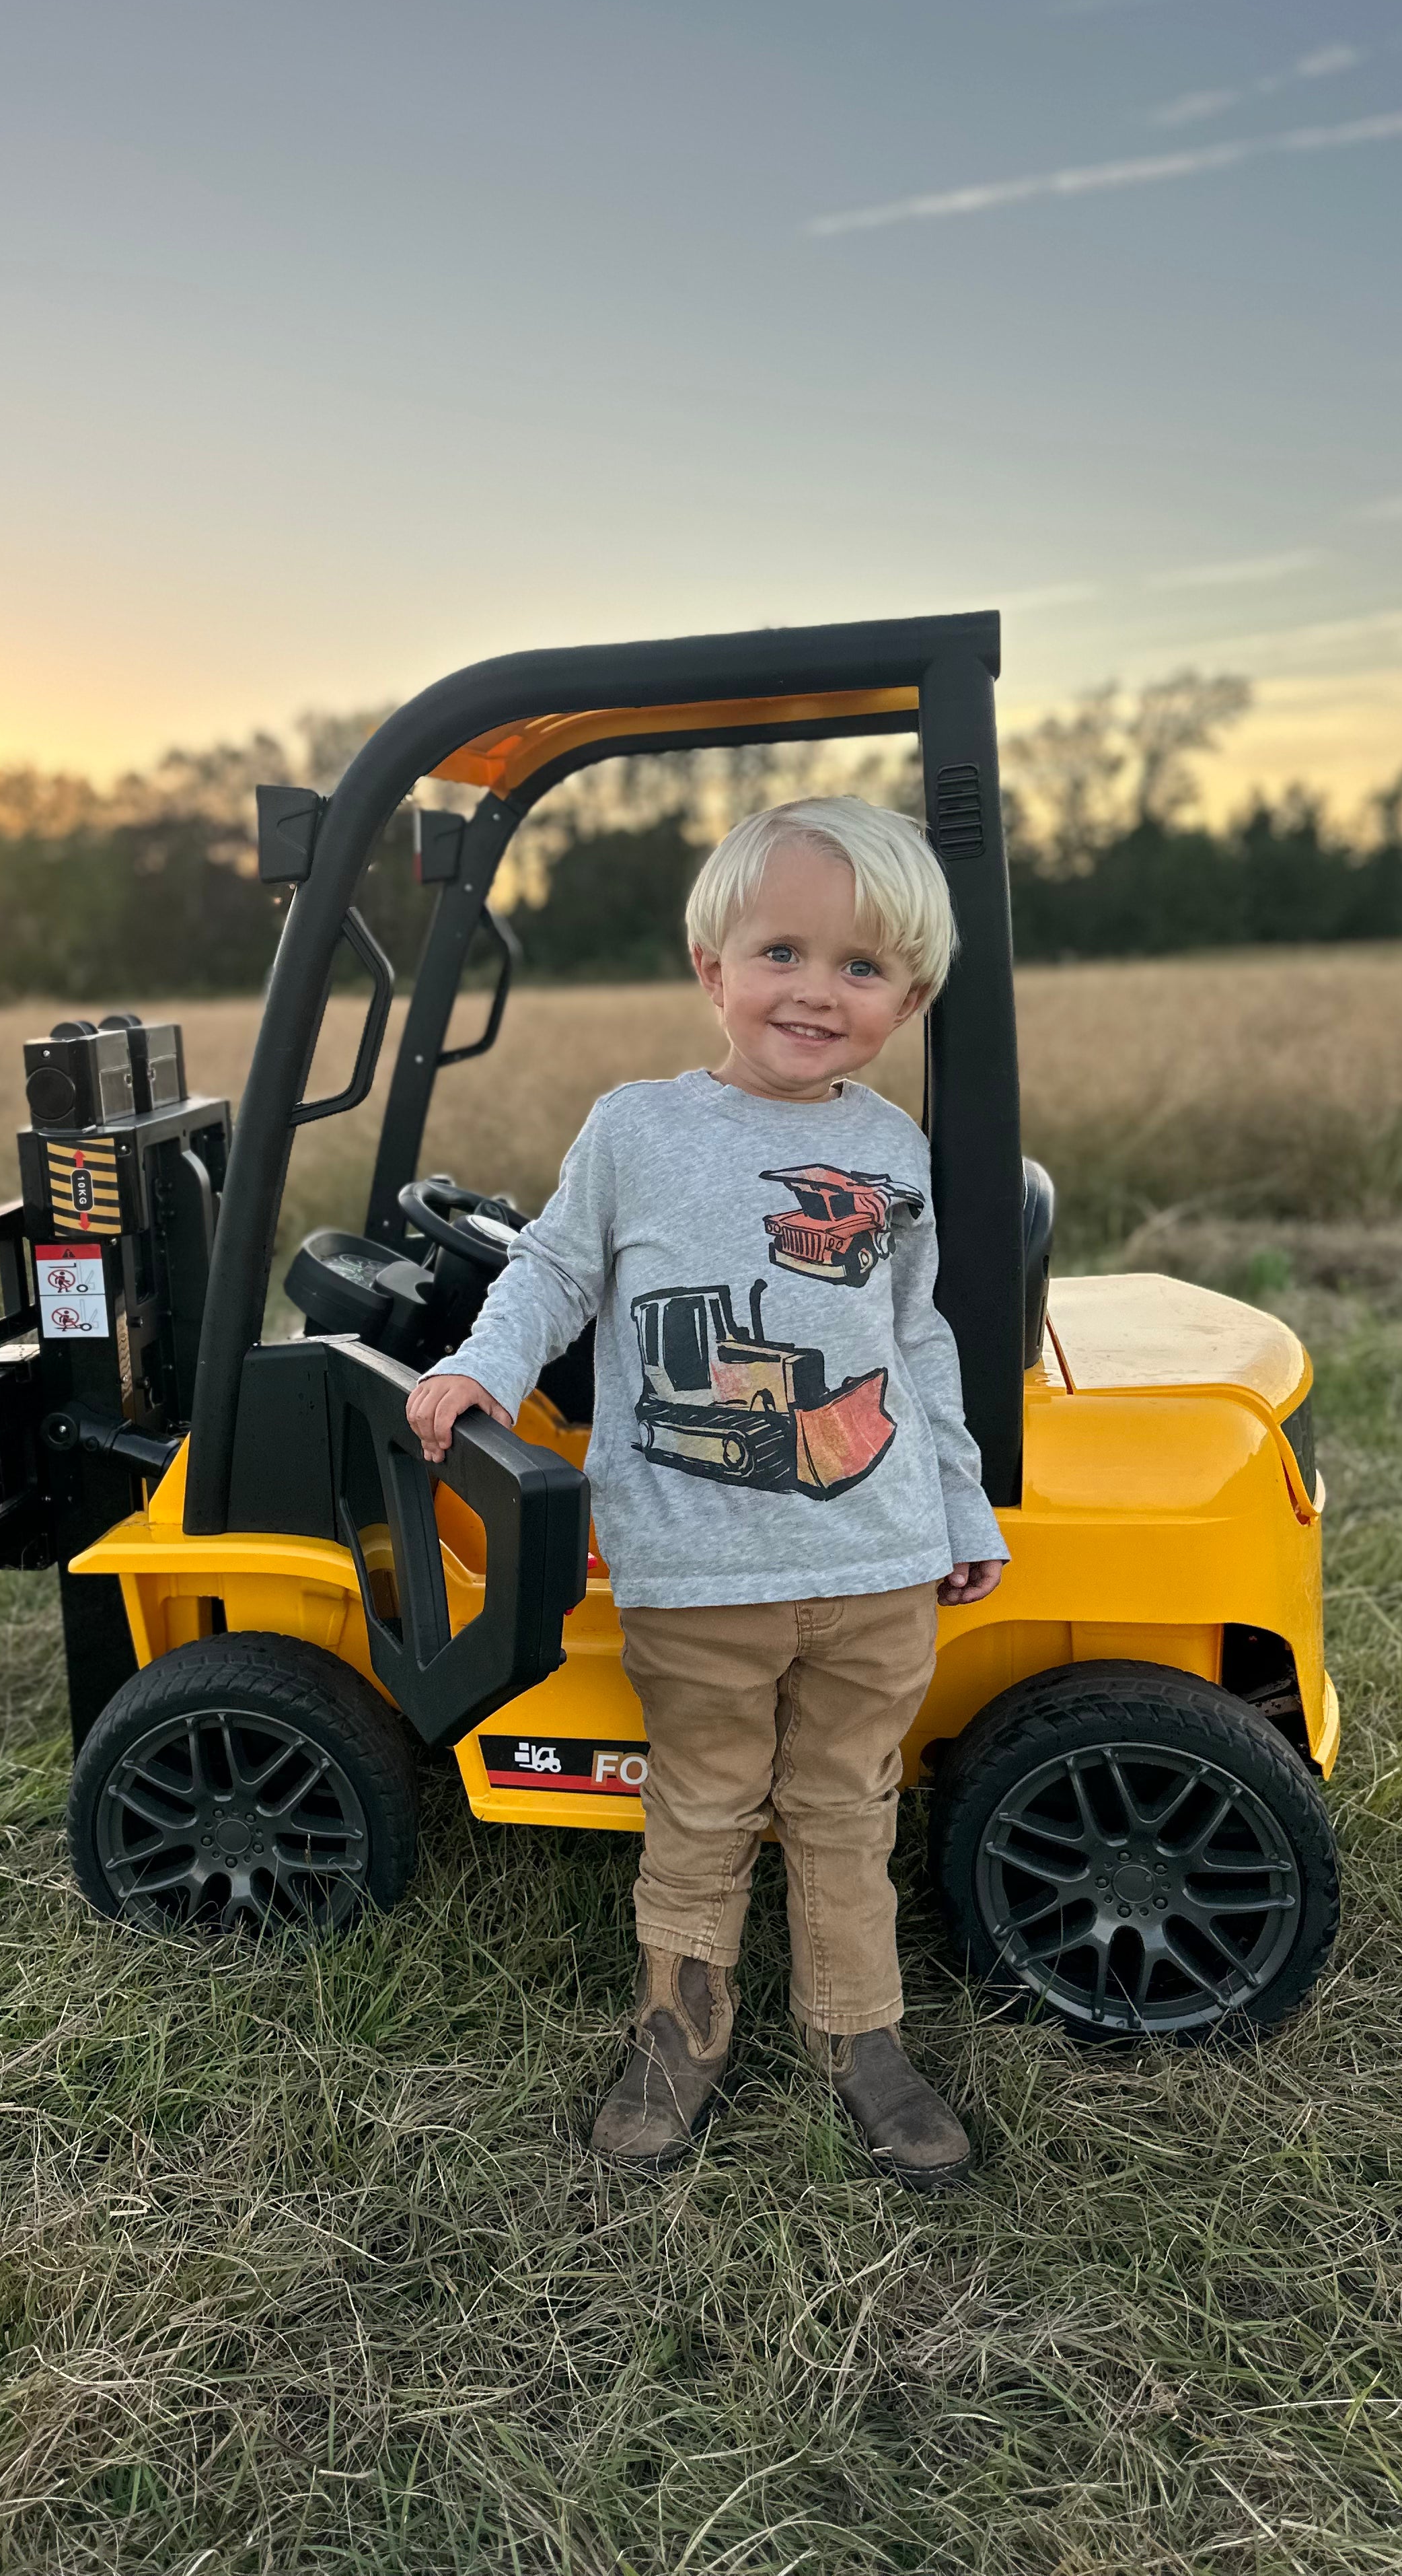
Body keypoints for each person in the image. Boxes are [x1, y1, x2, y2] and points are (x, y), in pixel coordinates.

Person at [406, 795, 1008, 2184]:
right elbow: (552, 1269)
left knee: (848, 1810)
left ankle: (861, 2041)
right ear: (711, 966)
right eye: (784, 952)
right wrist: (481, 1369)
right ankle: (678, 2037)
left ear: (909, 997)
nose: (817, 991)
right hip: (698, 1572)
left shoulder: (892, 1152)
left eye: (862, 970)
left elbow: (916, 1343)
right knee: (702, 1806)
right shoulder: (635, 1132)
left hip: (875, 1566)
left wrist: (960, 1509)